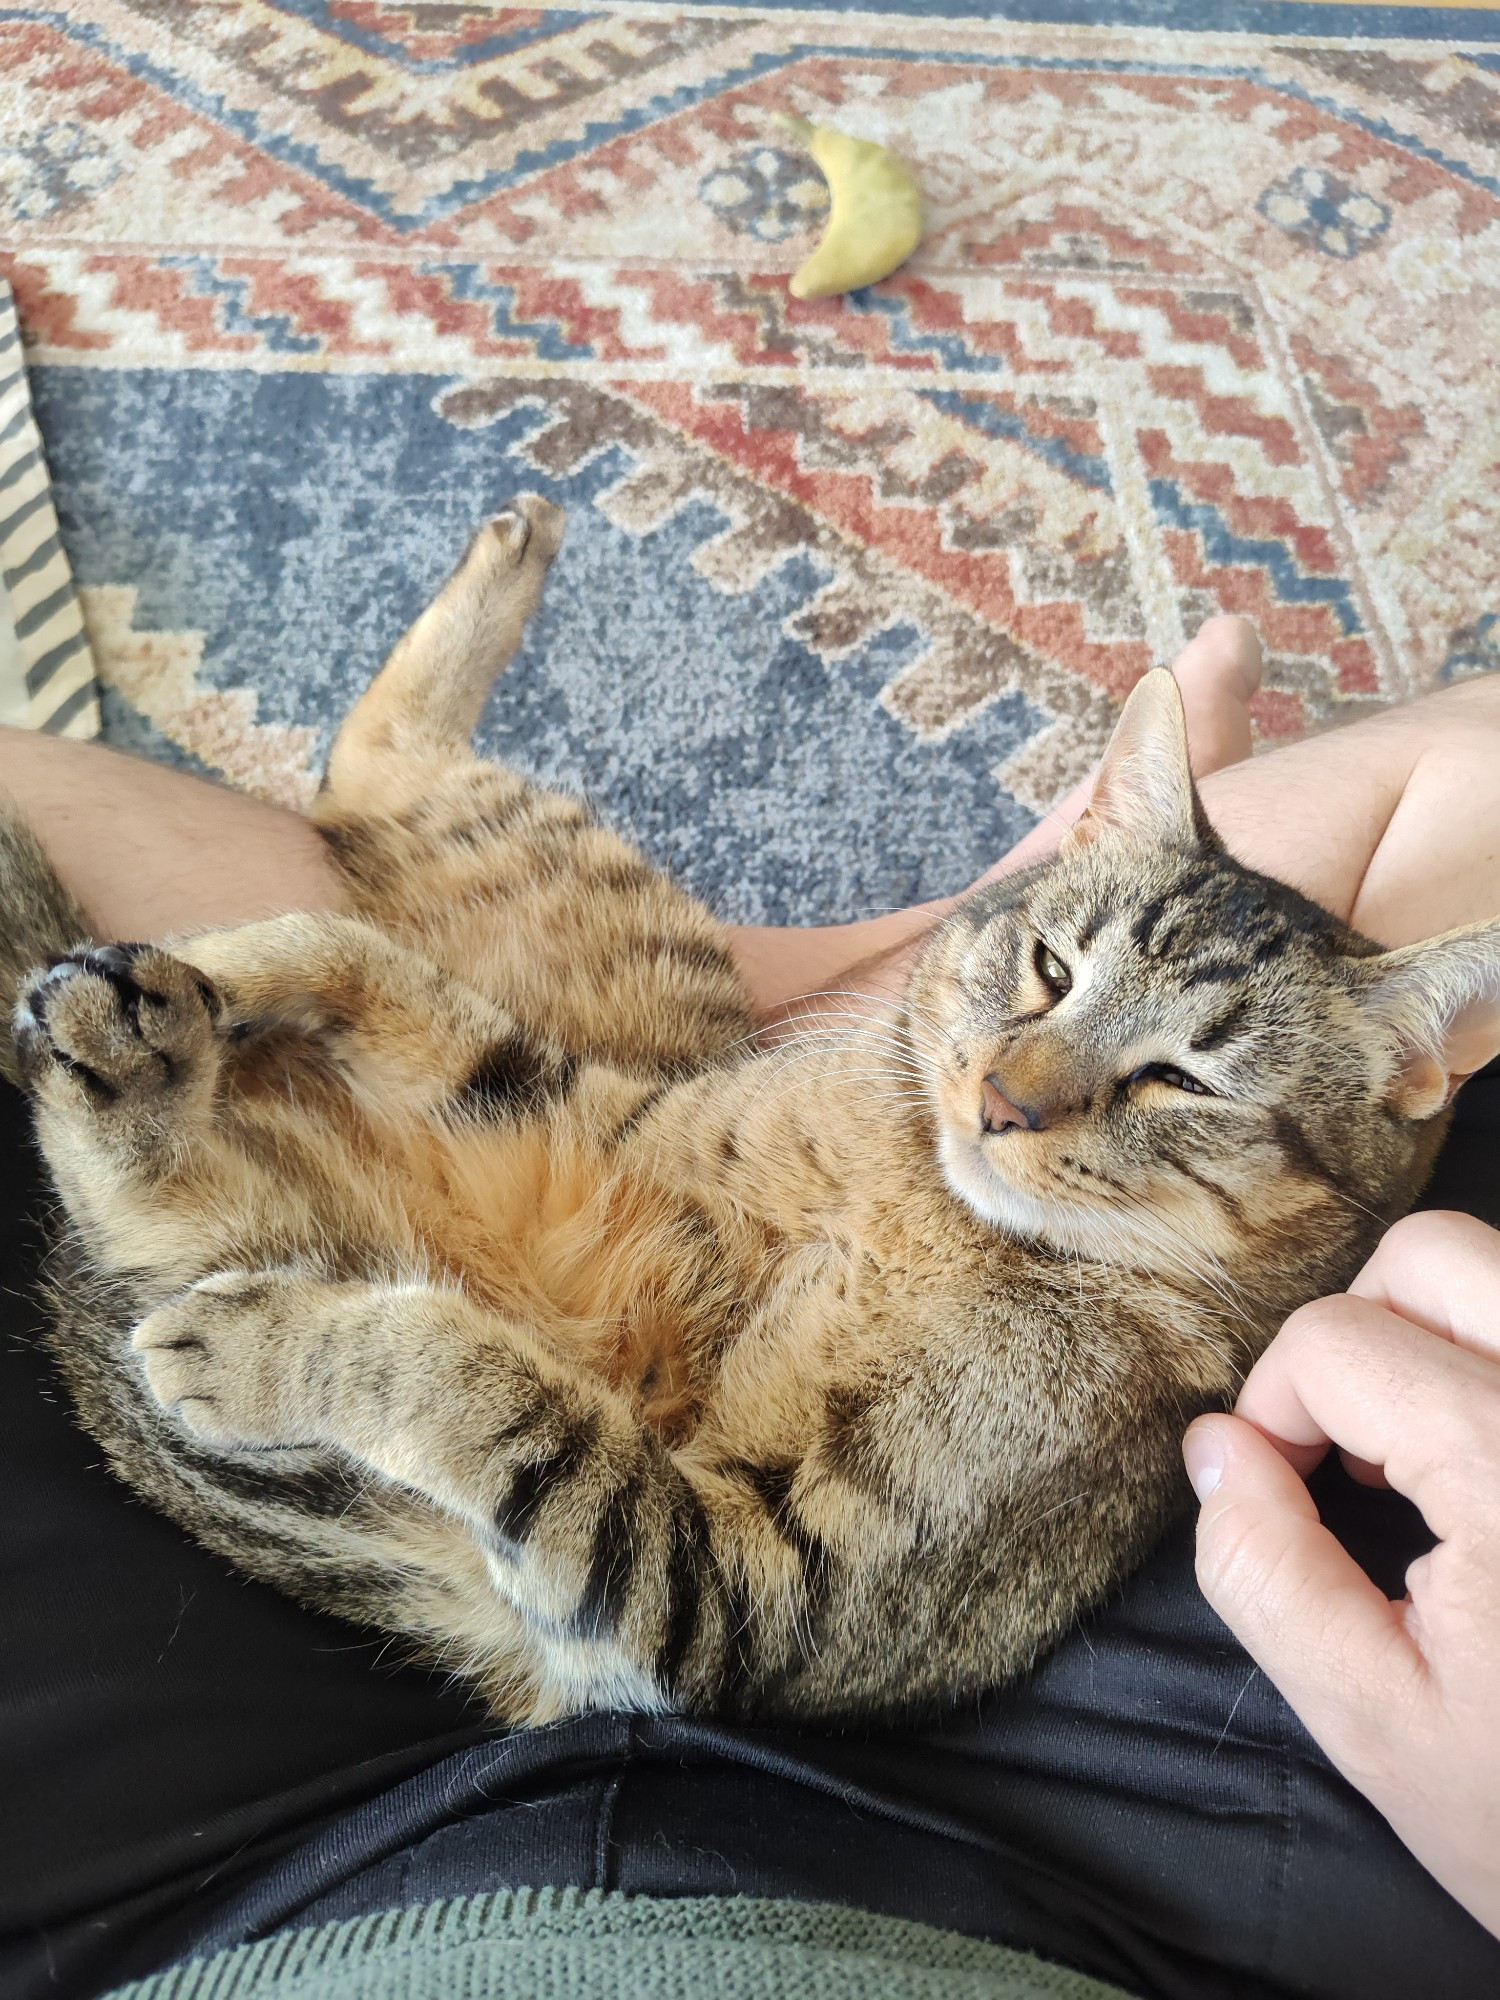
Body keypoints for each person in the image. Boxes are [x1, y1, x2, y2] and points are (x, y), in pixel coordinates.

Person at [2, 616, 1499, 1999]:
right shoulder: (965, 1104)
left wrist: (406, 1376)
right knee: (1447, 784)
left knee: (185, 1237)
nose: (1020, 1090)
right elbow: (606, 1140)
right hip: (632, 1257)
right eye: (1042, 978)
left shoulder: (1086, 1375)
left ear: (1391, 1091)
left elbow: (700, 1630)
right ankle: (892, 934)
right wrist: (364, 991)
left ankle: (134, 1149)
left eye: (1178, 1081)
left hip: (496, 1658)